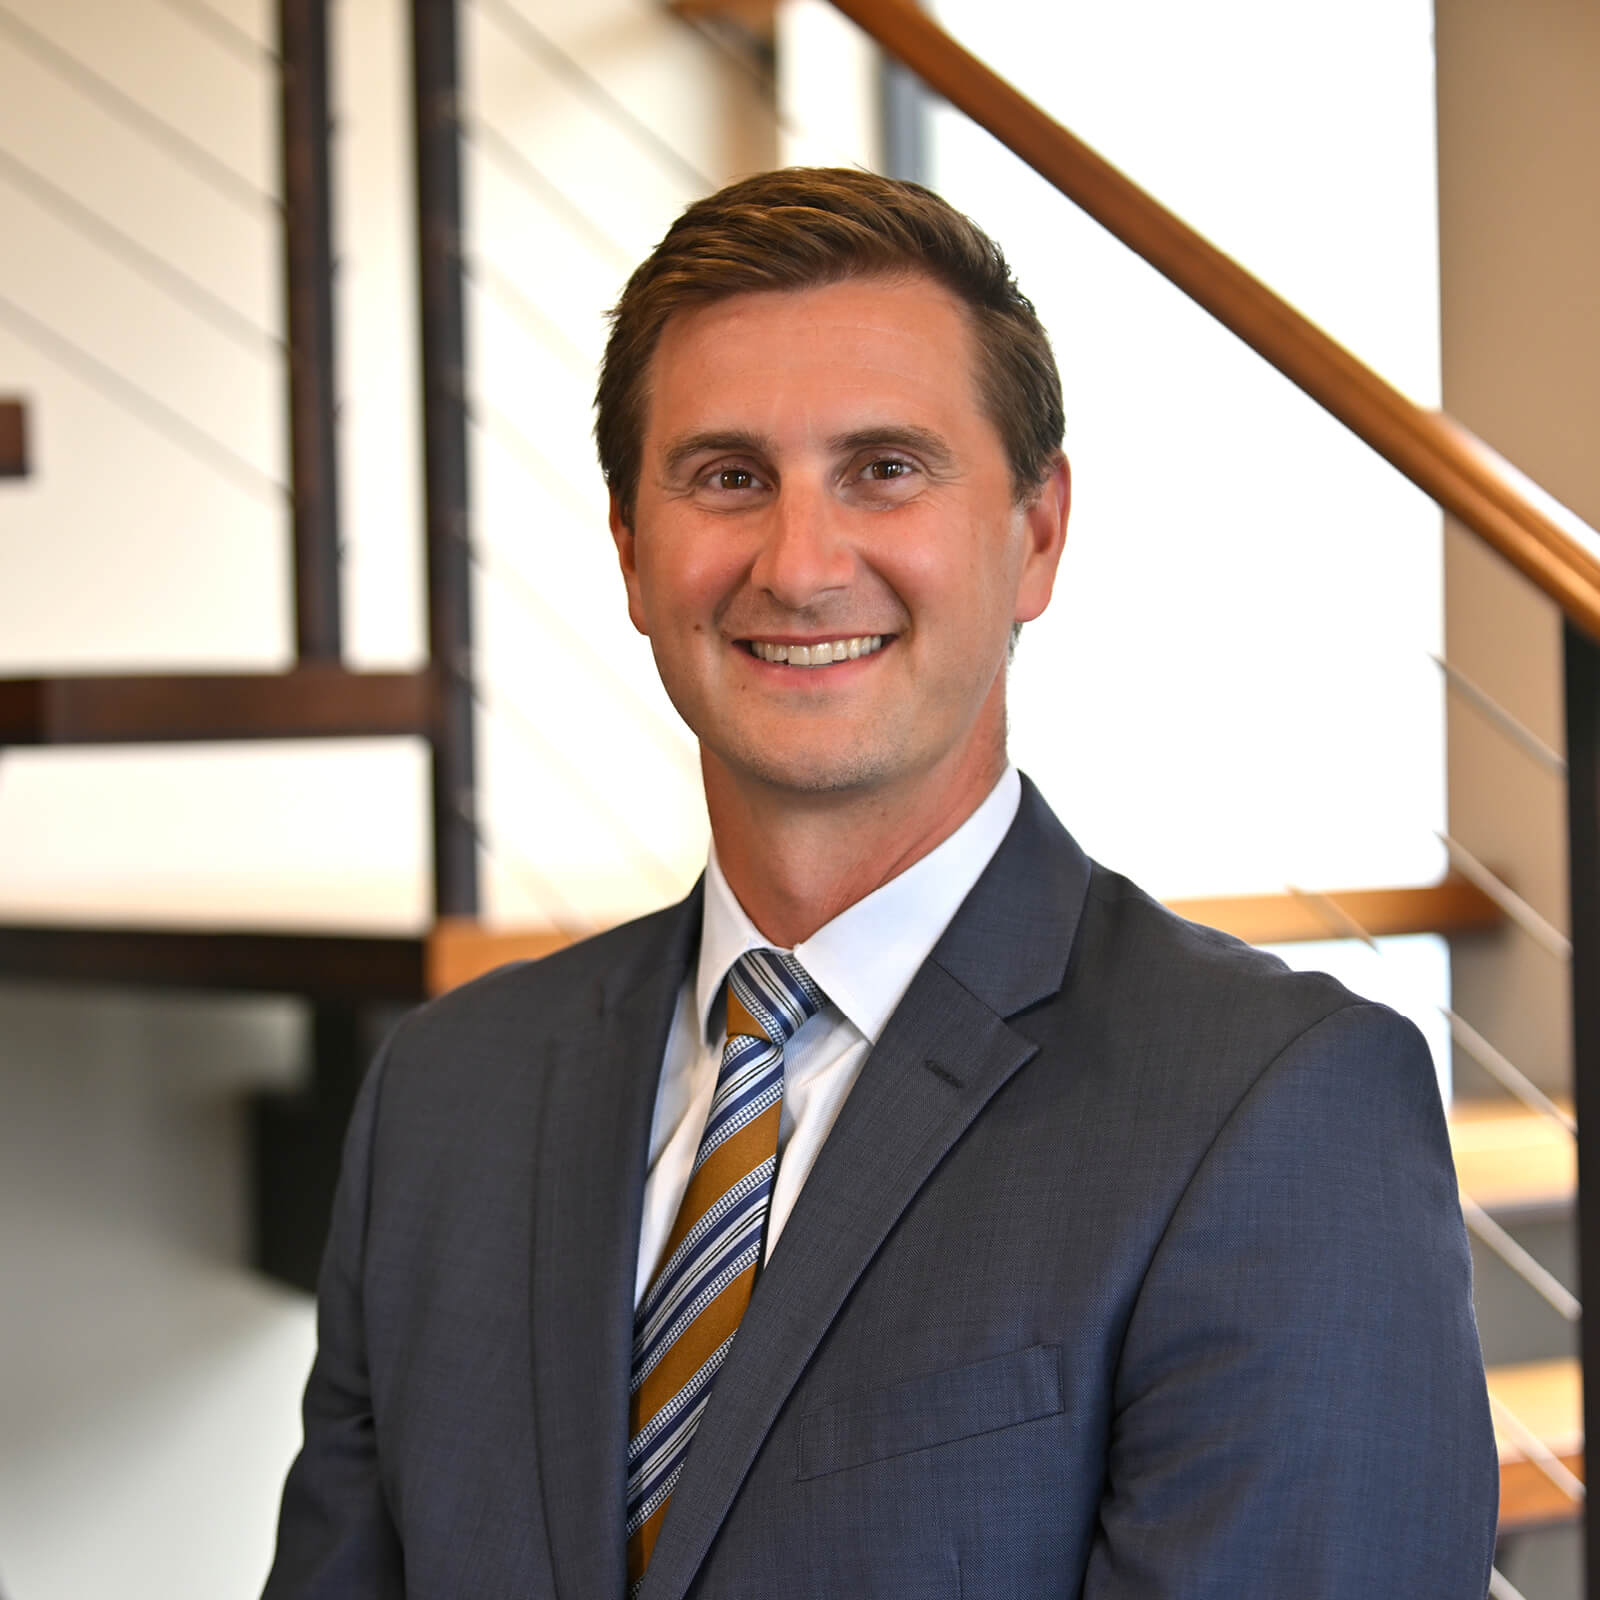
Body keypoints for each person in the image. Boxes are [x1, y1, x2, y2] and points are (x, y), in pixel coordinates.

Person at [263, 167, 1498, 1598]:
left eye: (884, 469)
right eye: (729, 477)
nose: (798, 565)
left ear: (1036, 535)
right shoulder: (446, 1091)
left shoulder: (1278, 1109)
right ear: (627, 550)